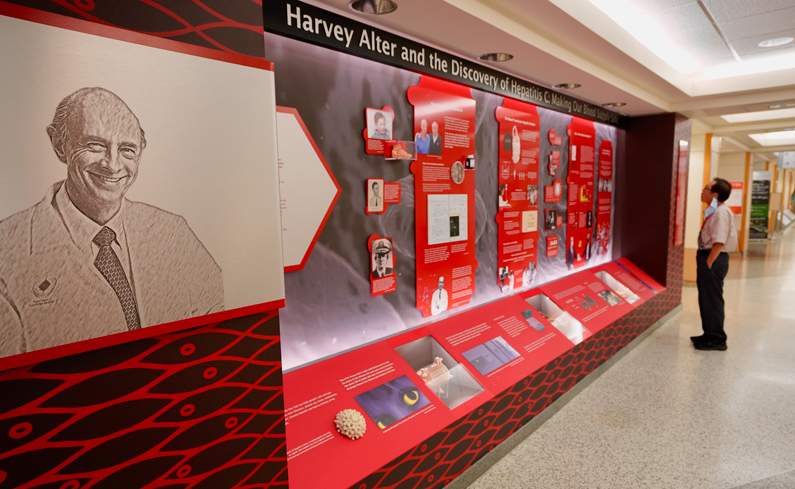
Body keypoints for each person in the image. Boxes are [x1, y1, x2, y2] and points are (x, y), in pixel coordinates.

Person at [0, 87, 223, 358]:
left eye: (127, 150)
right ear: (59, 144)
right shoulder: (7, 248)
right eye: (95, 146)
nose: (113, 164)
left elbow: (216, 328)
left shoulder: (172, 230)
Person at [692, 178, 738, 351]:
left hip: (713, 258)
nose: (702, 191)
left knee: (712, 299)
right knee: (707, 299)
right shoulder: (714, 210)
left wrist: (709, 263)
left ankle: (717, 338)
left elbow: (719, 241)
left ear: (715, 194)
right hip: (709, 257)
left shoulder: (720, 213)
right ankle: (709, 334)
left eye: (706, 188)